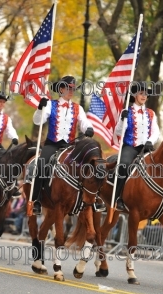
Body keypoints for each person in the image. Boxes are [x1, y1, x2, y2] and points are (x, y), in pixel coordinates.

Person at [31, 75, 104, 215]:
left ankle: (94, 200)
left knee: (91, 165)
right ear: (61, 89)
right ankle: (36, 200)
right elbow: (37, 121)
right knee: (41, 164)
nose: (71, 91)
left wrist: (88, 128)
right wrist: (40, 108)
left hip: (70, 147)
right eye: (69, 88)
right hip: (52, 144)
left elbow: (84, 122)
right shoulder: (50, 105)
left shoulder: (78, 108)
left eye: (73, 89)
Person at [114, 81, 160, 211]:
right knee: (123, 164)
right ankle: (118, 198)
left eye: (146, 94)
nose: (144, 96)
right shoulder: (126, 111)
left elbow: (156, 131)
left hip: (147, 148)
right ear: (134, 95)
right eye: (141, 93)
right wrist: (123, 119)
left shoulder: (151, 113)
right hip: (131, 147)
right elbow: (118, 132)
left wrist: (150, 141)